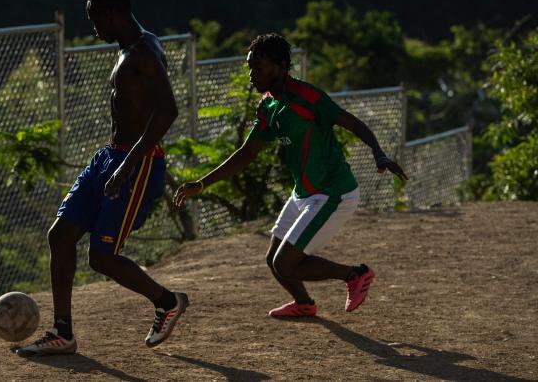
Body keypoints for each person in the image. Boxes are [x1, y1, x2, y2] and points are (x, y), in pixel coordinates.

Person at [174, 33, 408, 318]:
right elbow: (247, 153)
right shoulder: (268, 106)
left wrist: (378, 153)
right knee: (273, 260)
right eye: (249, 67)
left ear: (281, 66)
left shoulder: (308, 97)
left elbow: (353, 123)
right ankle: (305, 304)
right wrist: (202, 183)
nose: (251, 75)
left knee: (286, 264)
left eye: (258, 67)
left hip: (333, 192)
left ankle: (355, 274)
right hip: (305, 193)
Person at [17, 0, 188, 356]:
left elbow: (168, 110)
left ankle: (167, 302)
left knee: (102, 258)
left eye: (95, 19)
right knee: (60, 236)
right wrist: (115, 162)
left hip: (137, 163)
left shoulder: (144, 51)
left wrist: (126, 167)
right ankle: (63, 333)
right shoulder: (128, 47)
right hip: (109, 156)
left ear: (111, 14)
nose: (94, 28)